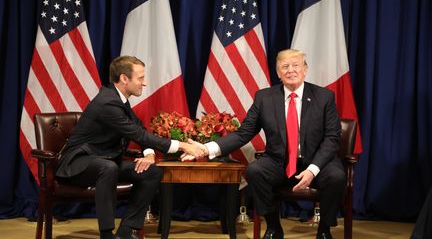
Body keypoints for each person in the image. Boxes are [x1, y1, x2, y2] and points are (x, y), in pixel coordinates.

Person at [184, 49, 345, 239]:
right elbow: (243, 133)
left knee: (337, 176)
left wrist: (312, 169)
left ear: (305, 69)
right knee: (255, 171)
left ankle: (324, 229)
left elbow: (333, 138)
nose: (290, 70)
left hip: (317, 162)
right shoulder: (264, 98)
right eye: (285, 67)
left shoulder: (324, 97)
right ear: (278, 73)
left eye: (296, 65)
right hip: (279, 162)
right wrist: (206, 149)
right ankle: (274, 226)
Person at [55, 56, 204, 239]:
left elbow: (138, 129)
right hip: (77, 164)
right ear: (124, 79)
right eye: (140, 78)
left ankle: (127, 229)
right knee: (107, 168)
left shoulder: (119, 100)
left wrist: (149, 155)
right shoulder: (107, 102)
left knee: (152, 172)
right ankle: (107, 234)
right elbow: (138, 134)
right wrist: (181, 146)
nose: (144, 83)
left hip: (106, 161)